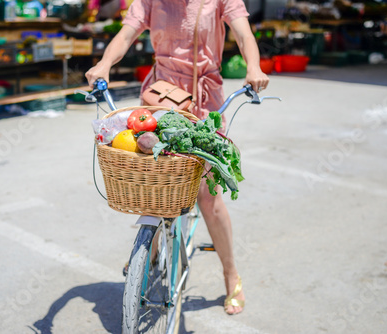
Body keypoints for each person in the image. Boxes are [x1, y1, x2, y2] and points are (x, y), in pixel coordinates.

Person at [86, 0, 269, 316]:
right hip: (160, 96)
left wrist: (253, 65)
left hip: (203, 100)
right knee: (153, 183)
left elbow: (243, 34)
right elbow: (126, 35)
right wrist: (104, 64)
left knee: (208, 198)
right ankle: (150, 247)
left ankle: (230, 274)